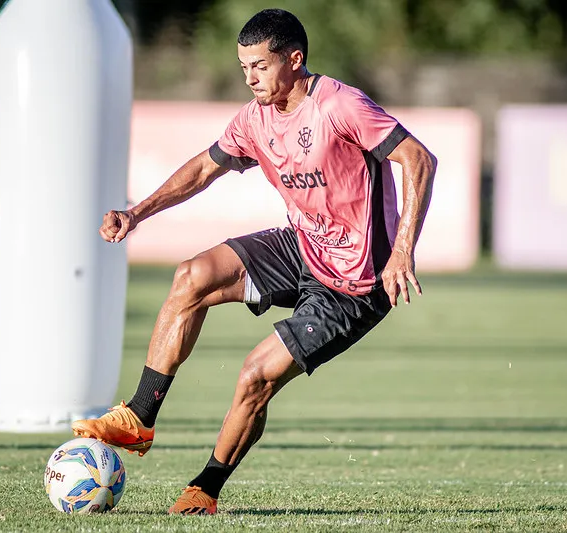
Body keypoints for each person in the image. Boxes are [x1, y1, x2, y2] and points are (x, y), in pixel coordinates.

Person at [72, 8, 437, 515]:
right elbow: (203, 169)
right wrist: (136, 214)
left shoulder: (340, 106)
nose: (250, 78)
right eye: (244, 67)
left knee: (254, 376)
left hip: (356, 284)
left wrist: (402, 251)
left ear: (295, 59)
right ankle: (138, 416)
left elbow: (419, 159)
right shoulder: (254, 119)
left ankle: (206, 488)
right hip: (303, 246)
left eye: (260, 66)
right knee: (192, 275)